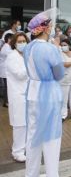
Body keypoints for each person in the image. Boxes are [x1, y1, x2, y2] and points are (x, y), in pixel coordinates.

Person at [23, 9, 65, 177]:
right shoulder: (50, 49)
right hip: (48, 95)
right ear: (46, 29)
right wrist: (57, 49)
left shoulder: (27, 48)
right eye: (50, 25)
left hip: (32, 93)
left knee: (32, 135)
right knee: (51, 138)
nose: (53, 27)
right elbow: (59, 74)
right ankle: (51, 174)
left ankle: (31, 173)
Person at [6, 33, 29, 162]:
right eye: (19, 41)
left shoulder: (25, 55)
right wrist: (31, 66)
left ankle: (23, 149)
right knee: (19, 124)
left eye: (24, 41)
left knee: (26, 124)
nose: (22, 43)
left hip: (27, 94)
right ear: (14, 43)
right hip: (17, 95)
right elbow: (20, 75)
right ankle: (17, 152)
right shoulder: (11, 57)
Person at [0, 33, 13, 107]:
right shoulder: (6, 48)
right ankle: (6, 102)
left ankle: (6, 101)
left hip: (5, 70)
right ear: (9, 39)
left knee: (6, 87)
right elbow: (11, 55)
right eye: (12, 38)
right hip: (5, 71)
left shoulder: (7, 47)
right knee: (6, 87)